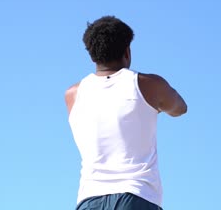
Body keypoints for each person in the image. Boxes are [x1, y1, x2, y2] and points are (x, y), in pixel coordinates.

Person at [65, 16, 187, 210]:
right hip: (136, 196)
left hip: (89, 200)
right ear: (127, 52)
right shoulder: (148, 85)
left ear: (92, 55)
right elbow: (180, 108)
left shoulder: (73, 94)